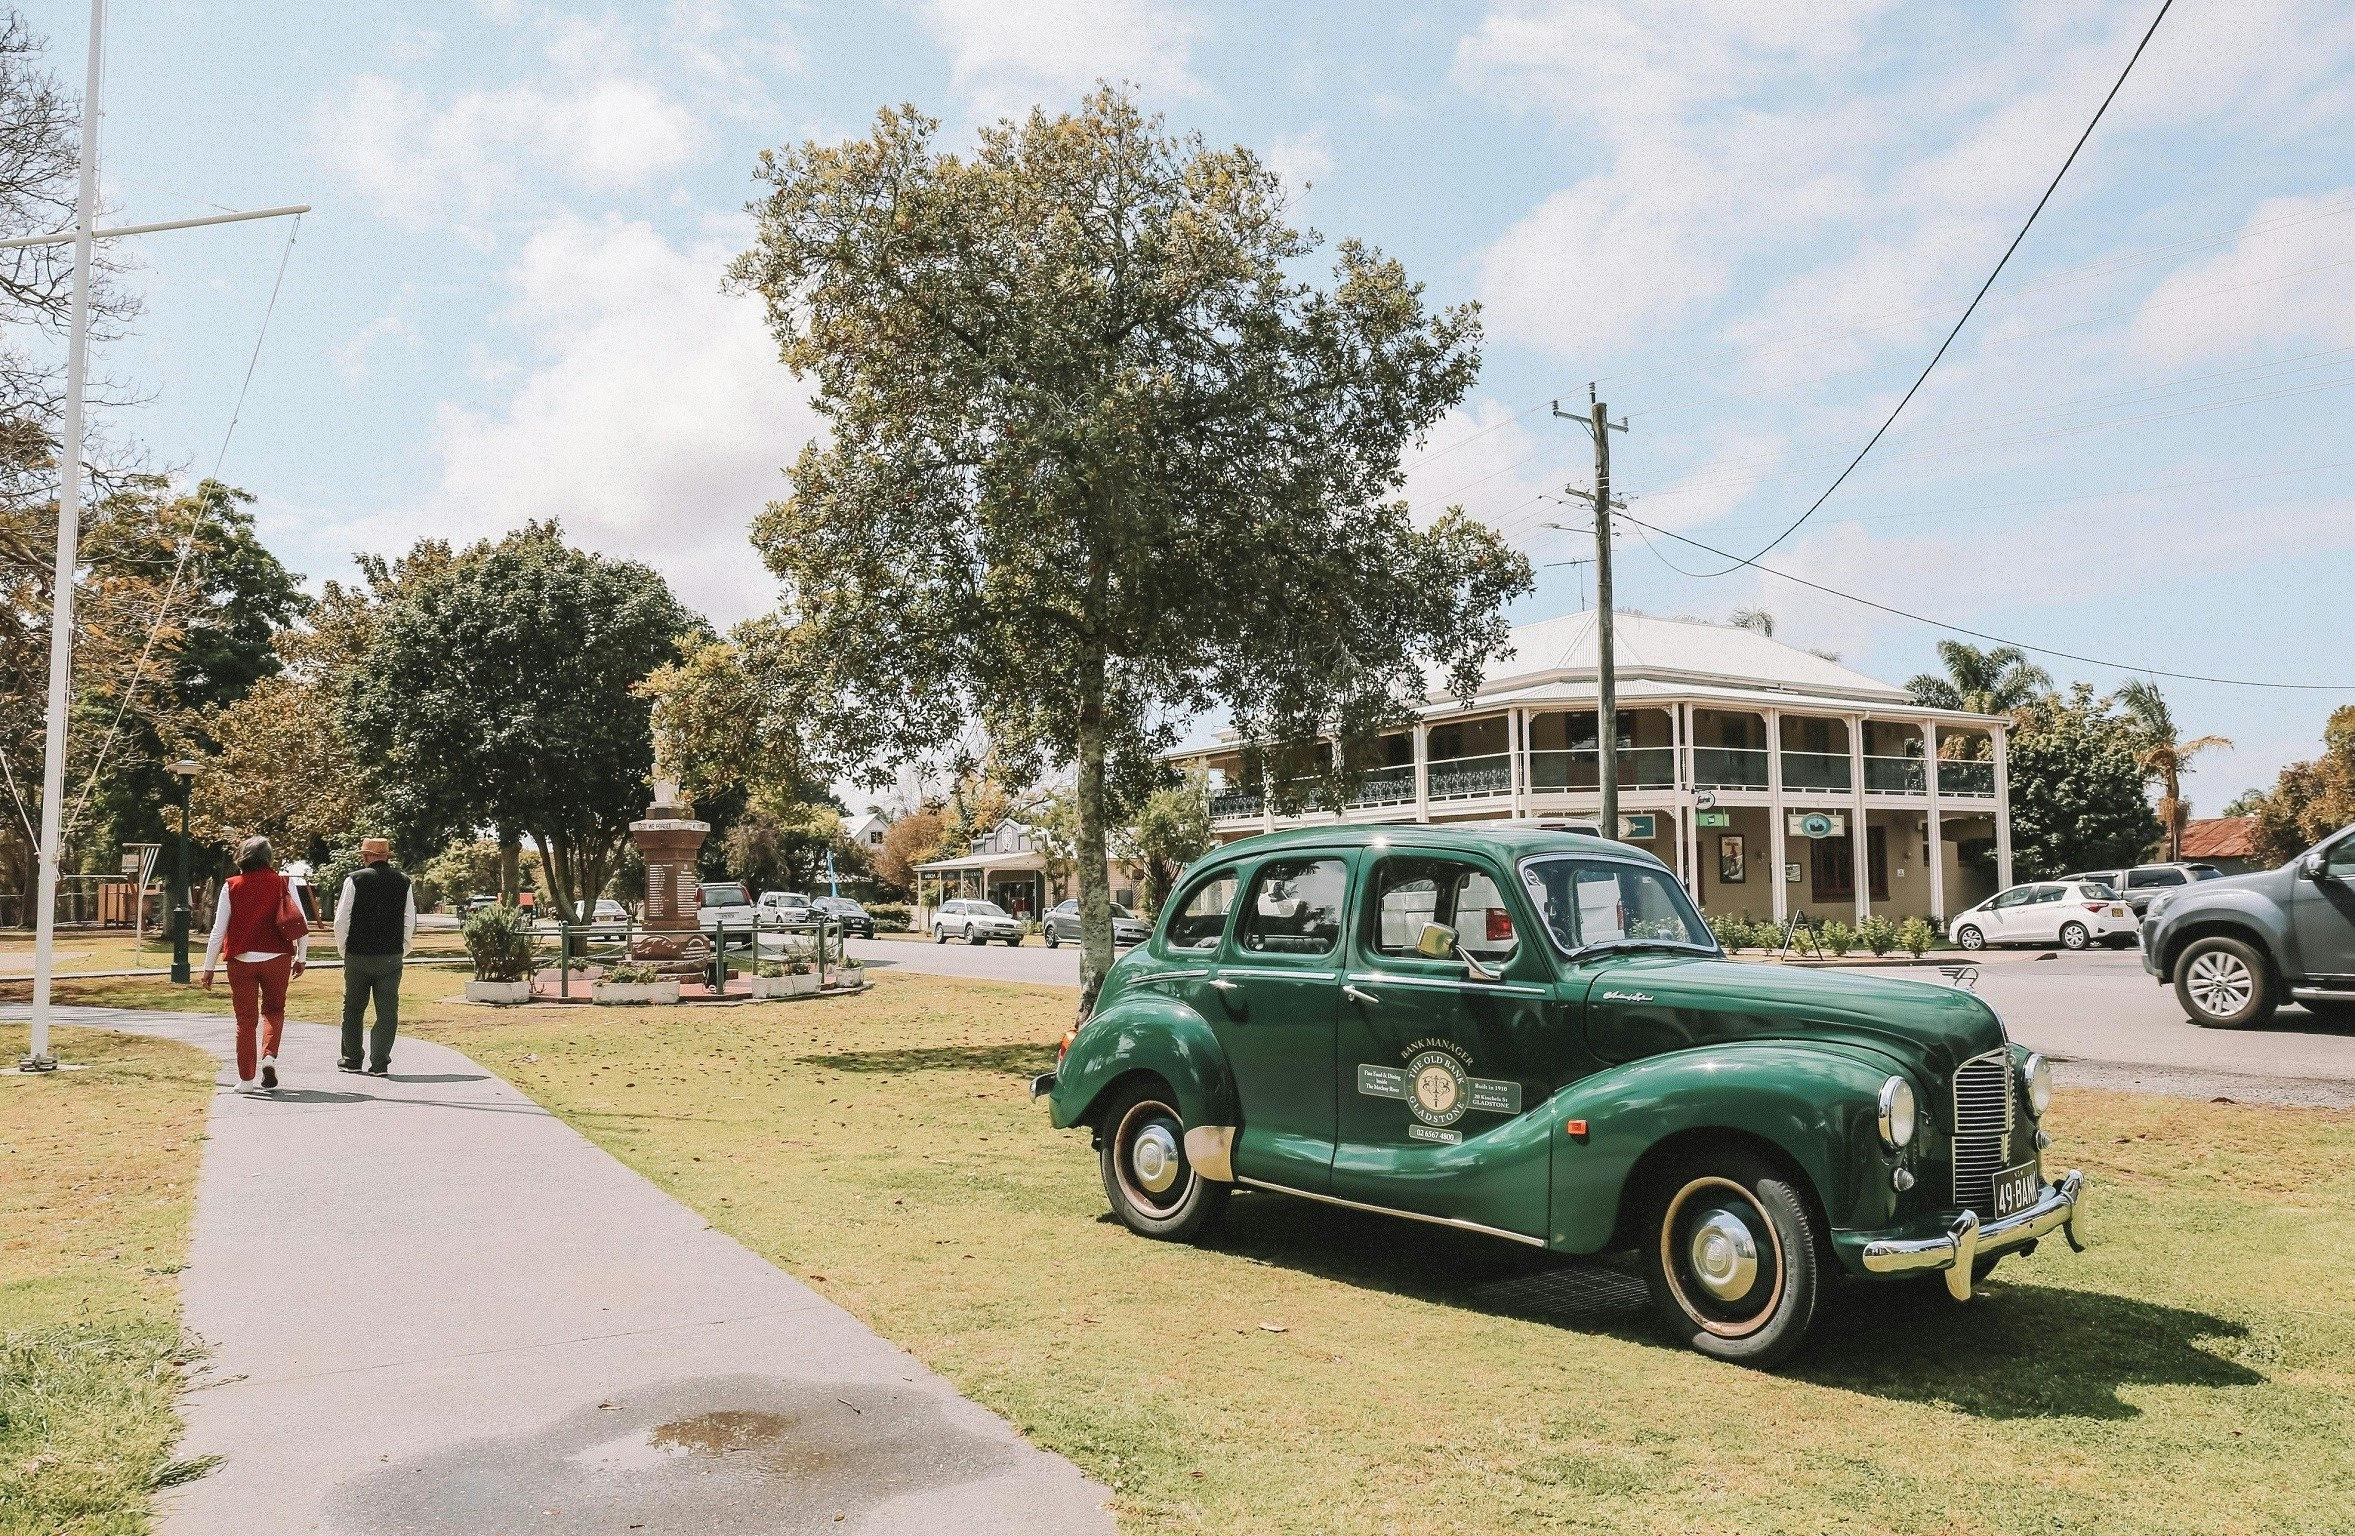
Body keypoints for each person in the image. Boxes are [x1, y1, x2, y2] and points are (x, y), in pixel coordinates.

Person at [201, 836, 309, 1093]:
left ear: (242, 858)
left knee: (245, 1020)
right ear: (268, 857)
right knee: (273, 1010)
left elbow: (218, 930)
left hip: (241, 959)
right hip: (277, 957)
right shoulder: (283, 883)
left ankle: (246, 1079)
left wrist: (208, 966)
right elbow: (298, 921)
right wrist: (301, 956)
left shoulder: (231, 885)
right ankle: (269, 1057)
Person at [333, 837, 415, 1076]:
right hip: (390, 955)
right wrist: (403, 947)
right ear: (386, 856)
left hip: (358, 953)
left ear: (366, 856)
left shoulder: (354, 879)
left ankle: (352, 1058)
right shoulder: (403, 881)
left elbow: (341, 920)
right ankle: (379, 1062)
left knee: (353, 1008)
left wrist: (343, 949)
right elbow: (409, 920)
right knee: (387, 1010)